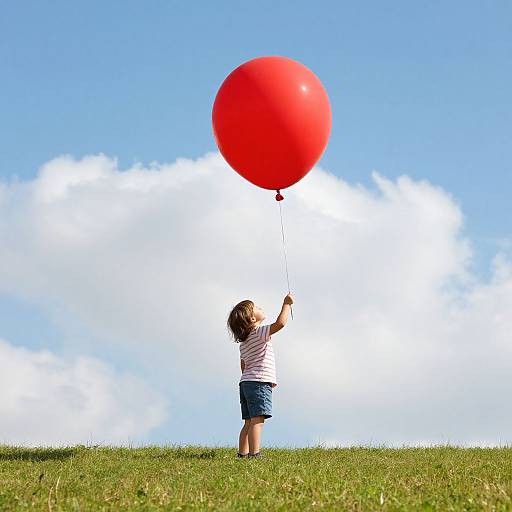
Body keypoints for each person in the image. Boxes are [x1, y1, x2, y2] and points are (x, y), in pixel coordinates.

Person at [227, 293, 294, 459]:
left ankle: (242, 454)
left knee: (248, 422)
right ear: (251, 320)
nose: (260, 307)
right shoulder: (259, 332)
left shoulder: (243, 343)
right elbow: (280, 323)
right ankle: (254, 454)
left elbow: (243, 366)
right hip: (258, 382)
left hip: (246, 383)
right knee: (258, 420)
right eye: (255, 308)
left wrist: (249, 380)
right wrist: (287, 304)